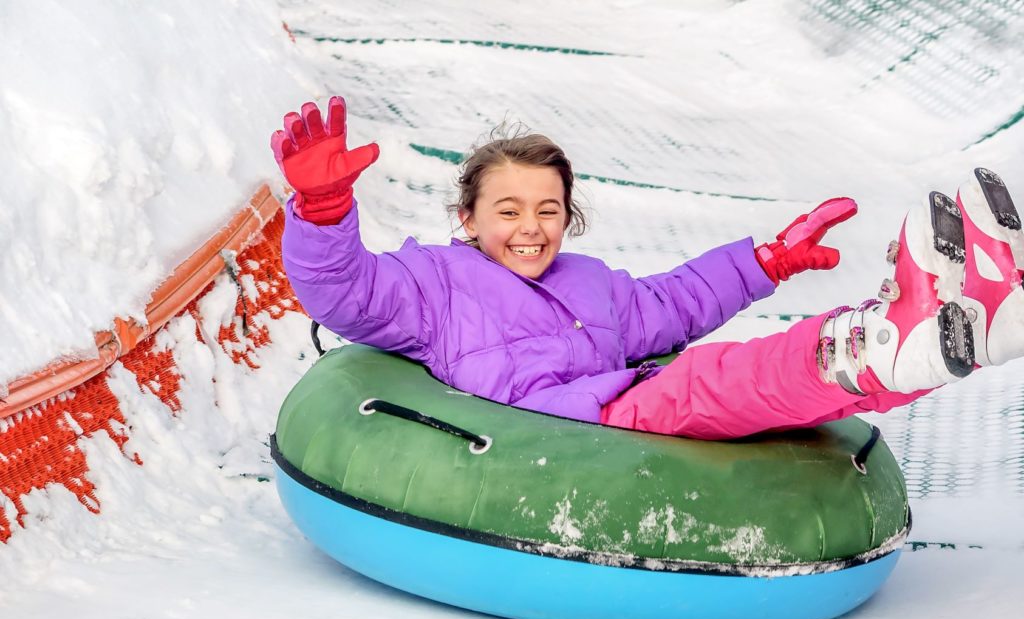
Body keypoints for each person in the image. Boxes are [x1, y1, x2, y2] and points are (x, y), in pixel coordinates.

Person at [272, 96, 1023, 440]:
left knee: (728, 386)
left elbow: (672, 303)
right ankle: (882, 336)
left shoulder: (589, 283)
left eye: (547, 209)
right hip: (564, 432)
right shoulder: (430, 285)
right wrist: (325, 207)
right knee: (703, 379)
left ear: (568, 215)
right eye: (507, 211)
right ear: (466, 218)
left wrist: (765, 261)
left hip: (624, 403)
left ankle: (959, 327)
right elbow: (344, 292)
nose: (530, 229)